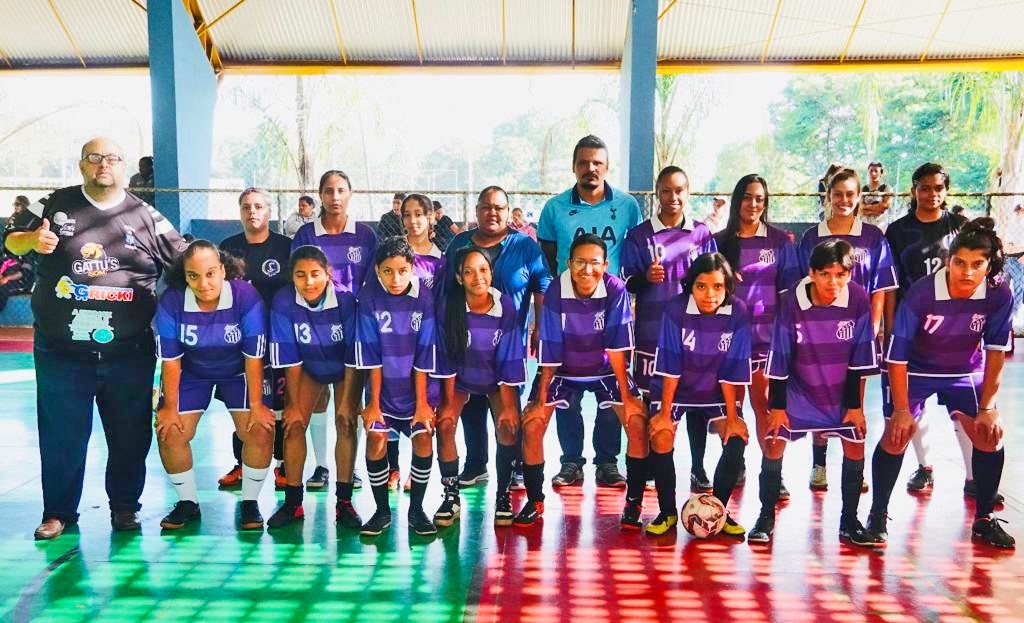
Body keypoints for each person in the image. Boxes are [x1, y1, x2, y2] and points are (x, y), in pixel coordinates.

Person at [4, 137, 185, 540]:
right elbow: (10, 239)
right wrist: (31, 241)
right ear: (83, 165)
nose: (104, 164)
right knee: (61, 435)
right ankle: (58, 512)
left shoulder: (146, 216)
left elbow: (183, 261)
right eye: (95, 157)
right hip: (61, 351)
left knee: (129, 435)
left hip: (129, 352)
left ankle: (125, 507)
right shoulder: (53, 203)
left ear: (123, 167)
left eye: (112, 158)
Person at [868, 219, 1015, 549]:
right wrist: (902, 411)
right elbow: (897, 358)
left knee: (990, 434)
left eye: (977, 264)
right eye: (959, 262)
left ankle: (984, 519)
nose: (967, 271)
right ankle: (877, 515)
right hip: (916, 369)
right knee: (896, 435)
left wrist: (989, 408)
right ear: (948, 260)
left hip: (964, 371)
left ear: (989, 266)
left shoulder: (998, 294)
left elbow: (995, 352)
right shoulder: (922, 293)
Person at [749, 239, 882, 547]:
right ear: (811, 272)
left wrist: (855, 406)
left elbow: (860, 357)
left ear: (850, 274)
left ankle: (849, 521)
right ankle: (765, 517)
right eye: (825, 274)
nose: (833, 282)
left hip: (840, 393)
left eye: (840, 275)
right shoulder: (791, 301)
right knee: (773, 443)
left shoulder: (858, 299)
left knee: (855, 446)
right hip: (799, 390)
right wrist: (777, 407)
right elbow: (780, 355)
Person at [516, 234, 645, 527]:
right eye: (580, 262)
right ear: (569, 263)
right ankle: (535, 501)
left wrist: (627, 398)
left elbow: (617, 348)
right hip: (563, 369)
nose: (587, 269)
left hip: (605, 369)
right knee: (533, 425)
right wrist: (540, 400)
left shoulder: (615, 289)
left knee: (637, 422)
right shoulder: (555, 290)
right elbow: (549, 346)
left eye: (594, 262)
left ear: (605, 264)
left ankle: (633, 504)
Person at [537, 135, 643, 488]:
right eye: (583, 162)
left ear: (607, 166)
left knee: (611, 385)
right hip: (569, 310)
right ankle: (571, 462)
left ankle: (607, 462)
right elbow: (550, 258)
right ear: (573, 167)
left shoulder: (628, 206)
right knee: (566, 392)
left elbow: (634, 253)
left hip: (610, 310)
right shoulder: (554, 209)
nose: (590, 168)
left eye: (597, 162)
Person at [154, 240, 273, 531]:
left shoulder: (246, 296)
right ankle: (187, 502)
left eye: (210, 274)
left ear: (222, 270)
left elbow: (254, 357)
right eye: (193, 276)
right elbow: (171, 361)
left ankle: (250, 502)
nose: (203, 283)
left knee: (260, 429)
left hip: (239, 371)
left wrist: (257, 406)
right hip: (192, 371)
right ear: (185, 276)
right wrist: (169, 407)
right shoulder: (172, 301)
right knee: (169, 431)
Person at [444, 186, 551, 488]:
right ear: (477, 211)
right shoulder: (459, 243)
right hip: (467, 346)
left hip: (507, 347)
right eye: (486, 207)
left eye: (499, 208)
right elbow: (447, 287)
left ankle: (514, 465)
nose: (492, 213)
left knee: (507, 407)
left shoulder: (524, 246)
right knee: (471, 408)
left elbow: (542, 284)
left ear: (508, 212)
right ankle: (476, 465)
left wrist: (540, 326)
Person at [798, 168, 897, 492]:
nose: (843, 200)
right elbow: (802, 286)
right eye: (837, 194)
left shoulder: (873, 237)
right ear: (828, 196)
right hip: (818, 334)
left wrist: (873, 327)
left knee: (854, 400)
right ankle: (818, 465)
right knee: (820, 397)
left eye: (850, 195)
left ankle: (856, 466)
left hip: (857, 335)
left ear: (859, 197)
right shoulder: (812, 237)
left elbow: (880, 287)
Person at [620, 166, 717, 494]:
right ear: (657, 193)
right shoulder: (639, 236)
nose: (672, 197)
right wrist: (645, 277)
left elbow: (715, 280)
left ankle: (698, 467)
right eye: (666, 190)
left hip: (695, 334)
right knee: (653, 396)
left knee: (695, 400)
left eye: (679, 190)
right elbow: (626, 282)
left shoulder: (701, 234)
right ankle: (651, 465)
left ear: (687, 193)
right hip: (653, 332)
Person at [883, 163, 975, 497]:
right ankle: (925, 468)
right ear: (914, 190)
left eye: (938, 188)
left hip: (955, 333)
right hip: (913, 332)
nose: (932, 194)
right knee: (910, 404)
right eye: (925, 187)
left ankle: (974, 477)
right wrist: (890, 330)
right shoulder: (898, 231)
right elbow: (890, 286)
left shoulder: (960, 228)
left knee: (964, 407)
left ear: (946, 190)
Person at [646, 253, 752, 536]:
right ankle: (667, 512)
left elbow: (733, 369)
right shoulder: (675, 309)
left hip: (716, 390)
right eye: (701, 286)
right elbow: (669, 364)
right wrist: (664, 415)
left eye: (718, 286)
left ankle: (718, 510)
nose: (710, 294)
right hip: (676, 389)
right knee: (661, 435)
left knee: (736, 437)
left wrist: (733, 418)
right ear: (690, 285)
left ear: (727, 287)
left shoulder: (738, 311)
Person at [714, 174, 802, 502]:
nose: (753, 204)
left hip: (768, 339)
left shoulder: (780, 242)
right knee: (731, 405)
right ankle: (735, 463)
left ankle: (773, 472)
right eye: (748, 197)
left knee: (764, 403)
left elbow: (791, 293)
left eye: (760, 199)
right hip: (729, 339)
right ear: (737, 200)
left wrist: (788, 337)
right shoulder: (719, 242)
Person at [266, 245, 362, 529]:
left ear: (328, 273)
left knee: (346, 423)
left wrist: (348, 403)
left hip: (344, 367)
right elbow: (290, 359)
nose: (309, 282)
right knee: (293, 424)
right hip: (307, 366)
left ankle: (344, 502)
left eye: (315, 274)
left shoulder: (345, 300)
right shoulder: (284, 301)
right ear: (292, 277)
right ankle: (293, 503)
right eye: (301, 275)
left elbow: (353, 355)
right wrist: (293, 406)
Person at [433, 247, 526, 527]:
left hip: (494, 378)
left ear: (491, 273)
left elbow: (510, 356)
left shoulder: (505, 306)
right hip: (460, 378)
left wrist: (509, 406)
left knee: (508, 425)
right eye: (469, 272)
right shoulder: (448, 308)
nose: (477, 277)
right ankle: (451, 496)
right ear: (459, 278)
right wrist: (446, 404)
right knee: (445, 423)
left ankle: (503, 496)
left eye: (483, 270)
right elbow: (446, 358)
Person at [352, 237, 439, 536]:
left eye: (402, 271)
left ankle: (417, 511)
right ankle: (381, 511)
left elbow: (425, 353)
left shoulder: (424, 297)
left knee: (423, 439)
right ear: (377, 270)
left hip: (417, 392)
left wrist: (423, 405)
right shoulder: (369, 297)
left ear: (413, 268)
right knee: (376, 439)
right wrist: (374, 404)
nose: (396, 278)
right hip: (384, 391)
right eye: (387, 271)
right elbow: (372, 356)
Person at [218, 188, 294, 491]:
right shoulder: (228, 247)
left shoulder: (285, 247)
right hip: (239, 342)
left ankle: (283, 464)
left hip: (278, 339)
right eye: (247, 207)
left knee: (281, 405)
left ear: (269, 211)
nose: (253, 212)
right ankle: (242, 463)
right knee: (243, 404)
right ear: (240, 211)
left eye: (259, 206)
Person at [385, 193, 446, 492]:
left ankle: (415, 470)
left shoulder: (440, 260)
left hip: (425, 345)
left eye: (419, 214)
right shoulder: (392, 254)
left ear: (431, 216)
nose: (413, 220)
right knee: (389, 404)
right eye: (407, 214)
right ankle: (392, 468)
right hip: (393, 345)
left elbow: (443, 304)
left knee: (422, 406)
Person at [291, 170, 378, 295]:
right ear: (320, 195)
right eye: (329, 191)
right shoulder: (305, 235)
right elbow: (297, 277)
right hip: (315, 307)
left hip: (354, 306)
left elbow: (373, 281)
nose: (335, 197)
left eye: (341, 191)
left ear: (350, 194)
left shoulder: (366, 235)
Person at [860, 161, 893, 231]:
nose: (873, 173)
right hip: (865, 225)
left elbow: (885, 206)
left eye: (876, 171)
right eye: (871, 171)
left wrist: (866, 209)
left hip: (881, 226)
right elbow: (860, 208)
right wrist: (877, 209)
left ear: (881, 173)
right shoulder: (862, 189)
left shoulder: (887, 188)